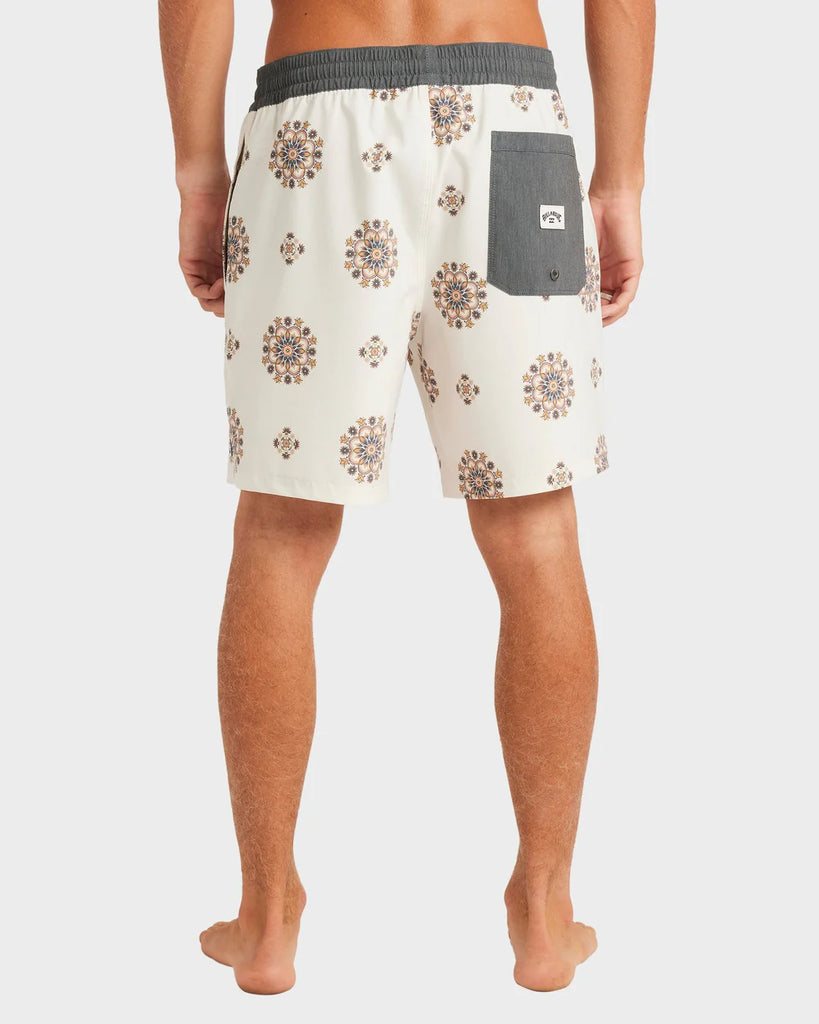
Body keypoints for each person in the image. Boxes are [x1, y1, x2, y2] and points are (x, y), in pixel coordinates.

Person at [159, 0, 654, 996]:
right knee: (535, 529)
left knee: (282, 528)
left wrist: (200, 172)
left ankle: (266, 920)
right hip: (513, 125)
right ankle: (545, 914)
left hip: (316, 124)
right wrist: (621, 177)